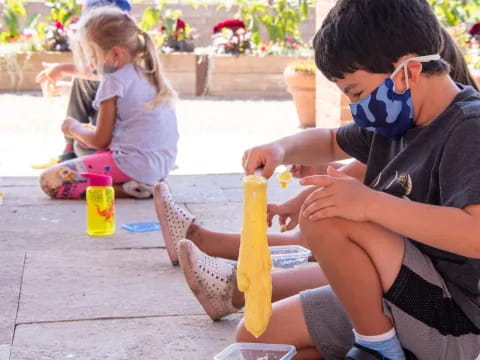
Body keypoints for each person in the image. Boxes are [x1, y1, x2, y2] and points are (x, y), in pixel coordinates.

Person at [154, 0, 480, 358]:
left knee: (327, 211)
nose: (355, 106)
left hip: (452, 322)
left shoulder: (468, 127)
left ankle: (378, 347)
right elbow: (328, 141)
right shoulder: (396, 120)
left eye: (355, 92)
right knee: (254, 336)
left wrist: (369, 204)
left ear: (408, 73)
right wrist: (279, 150)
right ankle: (376, 340)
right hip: (394, 298)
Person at [40, 6, 178, 199]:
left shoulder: (113, 81)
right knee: (84, 149)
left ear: (115, 54)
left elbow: (100, 140)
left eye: (93, 56)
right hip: (159, 165)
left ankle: (129, 189)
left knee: (50, 180)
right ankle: (143, 183)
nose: (92, 63)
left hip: (133, 165)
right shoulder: (146, 72)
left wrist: (73, 128)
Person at [36, 0, 132, 164]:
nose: (91, 59)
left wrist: (62, 69)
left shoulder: (117, 74)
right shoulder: (133, 64)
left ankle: (72, 148)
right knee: (81, 81)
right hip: (136, 150)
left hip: (125, 151)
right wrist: (66, 87)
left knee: (82, 148)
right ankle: (69, 147)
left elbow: (99, 76)